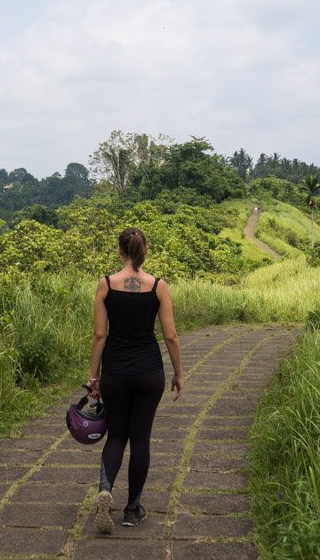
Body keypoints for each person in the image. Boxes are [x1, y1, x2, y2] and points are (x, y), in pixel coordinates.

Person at [86, 227, 184, 533]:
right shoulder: (158, 286)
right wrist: (179, 374)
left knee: (116, 436)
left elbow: (99, 335)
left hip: (115, 371)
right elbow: (170, 336)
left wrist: (94, 376)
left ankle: (105, 490)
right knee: (140, 438)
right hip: (149, 373)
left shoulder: (105, 285)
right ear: (144, 251)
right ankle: (132, 509)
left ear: (120, 251)